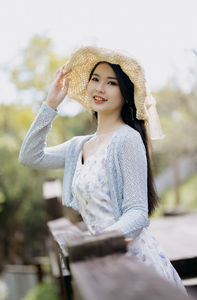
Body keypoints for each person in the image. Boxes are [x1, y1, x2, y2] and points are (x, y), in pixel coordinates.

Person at [19, 46, 187, 295]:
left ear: (126, 95)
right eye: (95, 79)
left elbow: (137, 212)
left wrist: (96, 242)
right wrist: (51, 104)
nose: (99, 88)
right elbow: (30, 156)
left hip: (135, 262)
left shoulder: (127, 140)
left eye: (111, 83)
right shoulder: (79, 146)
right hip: (104, 261)